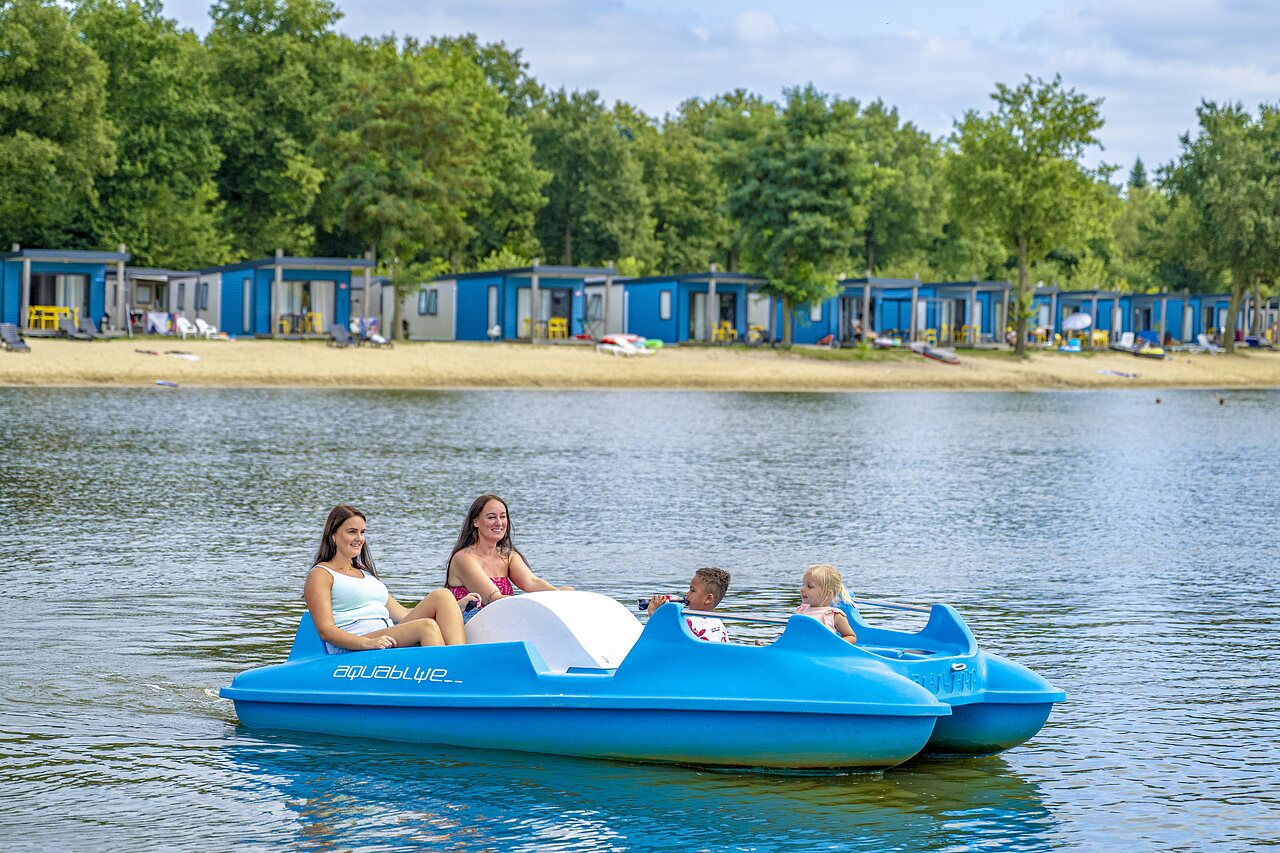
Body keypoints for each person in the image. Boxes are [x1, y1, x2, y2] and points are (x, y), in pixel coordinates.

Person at [304, 504, 476, 653]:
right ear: (333, 535)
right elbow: (325, 630)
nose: (359, 538)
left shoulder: (364, 572)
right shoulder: (321, 574)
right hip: (356, 641)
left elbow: (402, 615)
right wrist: (367, 643)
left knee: (442, 595)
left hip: (386, 633)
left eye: (362, 532)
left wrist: (455, 606)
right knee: (426, 627)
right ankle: (451, 671)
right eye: (352, 532)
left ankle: (459, 660)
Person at [445, 494, 572, 612]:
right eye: (491, 517)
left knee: (567, 591)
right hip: (470, 623)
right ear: (476, 522)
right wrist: (534, 605)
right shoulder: (464, 558)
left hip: (504, 619)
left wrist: (557, 594)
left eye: (502, 516)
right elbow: (493, 598)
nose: (499, 523)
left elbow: (532, 582)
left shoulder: (508, 556)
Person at [647, 567, 732, 643]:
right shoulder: (718, 623)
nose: (687, 594)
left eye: (692, 590)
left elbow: (664, 639)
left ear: (708, 599)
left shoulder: (688, 622)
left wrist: (654, 614)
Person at [796, 564, 858, 644]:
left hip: (824, 653)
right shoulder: (801, 610)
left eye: (809, 586)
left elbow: (851, 637)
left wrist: (834, 643)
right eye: (803, 584)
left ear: (827, 594)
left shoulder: (834, 615)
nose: (802, 589)